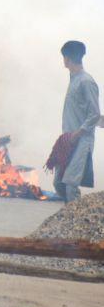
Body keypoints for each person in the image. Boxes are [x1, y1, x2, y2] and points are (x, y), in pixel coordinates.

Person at [54, 41, 100, 202]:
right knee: (58, 183)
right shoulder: (73, 79)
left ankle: (72, 220)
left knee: (70, 183)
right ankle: (75, 209)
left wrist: (78, 133)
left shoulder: (86, 81)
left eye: (63, 57)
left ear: (67, 58)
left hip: (82, 140)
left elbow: (94, 114)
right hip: (67, 139)